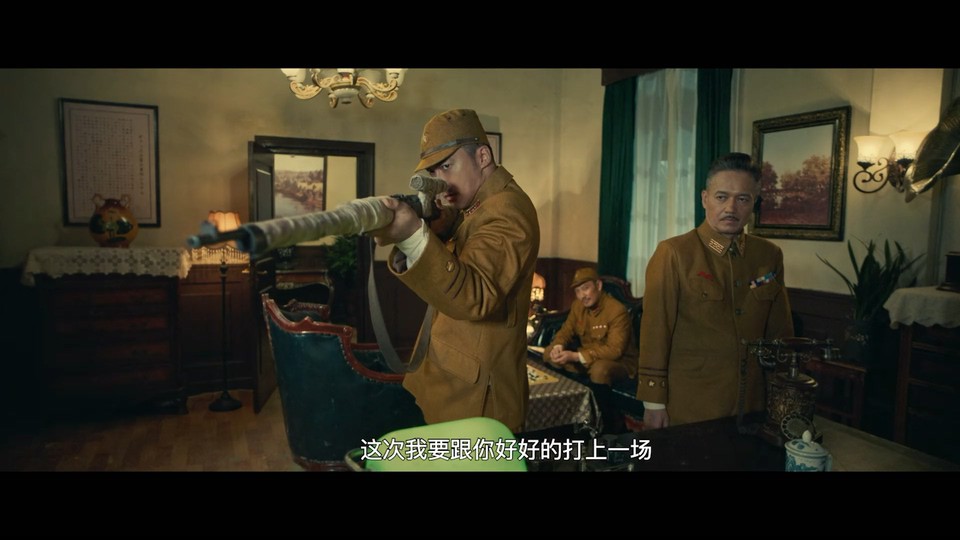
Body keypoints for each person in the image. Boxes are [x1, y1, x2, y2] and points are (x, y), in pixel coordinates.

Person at [371, 109, 540, 433]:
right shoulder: (475, 205)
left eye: (447, 166)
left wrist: (413, 234)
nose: (441, 181)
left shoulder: (507, 209)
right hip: (449, 382)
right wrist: (429, 227)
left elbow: (473, 296)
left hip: (476, 399)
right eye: (434, 170)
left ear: (482, 156)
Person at [637, 152, 794, 429]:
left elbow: (780, 332)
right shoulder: (674, 253)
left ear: (754, 203)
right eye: (722, 197)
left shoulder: (768, 255)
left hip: (754, 403)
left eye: (743, 199)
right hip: (692, 404)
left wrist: (783, 394)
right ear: (705, 199)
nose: (731, 208)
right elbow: (655, 332)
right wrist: (653, 402)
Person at [542, 267, 637, 385]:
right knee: (549, 353)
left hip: (618, 362)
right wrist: (558, 346)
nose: (582, 295)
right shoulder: (577, 306)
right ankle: (566, 394)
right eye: (577, 291)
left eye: (586, 288)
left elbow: (614, 350)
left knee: (599, 370)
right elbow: (566, 331)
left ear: (598, 285)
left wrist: (576, 356)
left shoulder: (616, 311)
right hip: (587, 358)